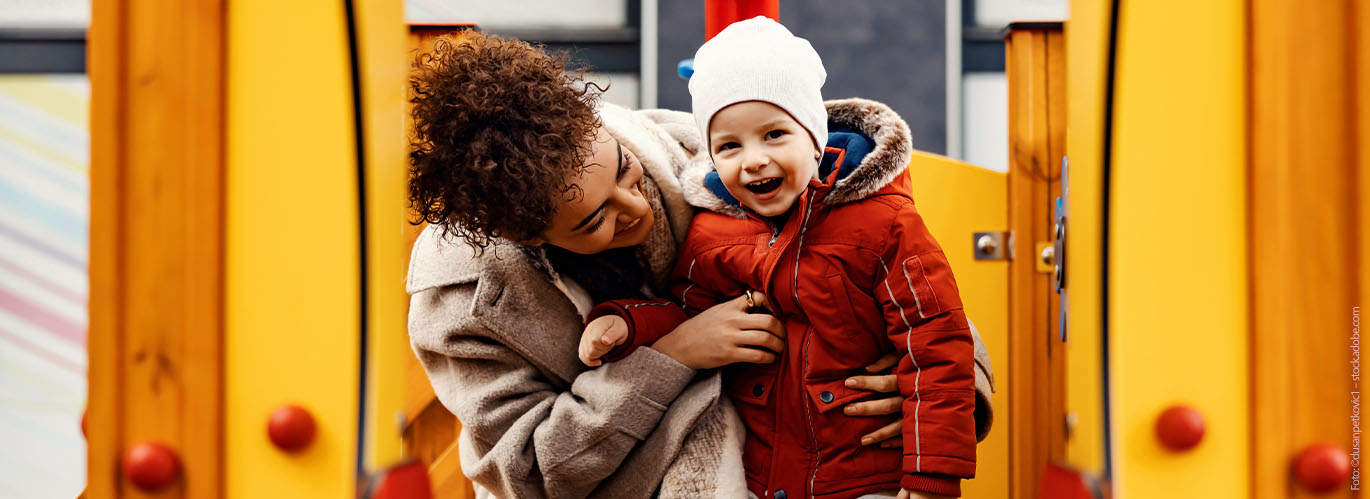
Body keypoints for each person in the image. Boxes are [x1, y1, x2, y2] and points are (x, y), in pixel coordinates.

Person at [404, 31, 951, 498]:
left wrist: (935, 395)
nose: (637, 208)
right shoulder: (461, 299)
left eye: (626, 172)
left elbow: (890, 268)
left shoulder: (699, 152)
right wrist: (675, 353)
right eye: (595, 220)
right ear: (522, 236)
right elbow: (526, 473)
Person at [577, 18, 988, 499]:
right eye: (729, 145)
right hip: (763, 477)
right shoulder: (713, 232)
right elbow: (691, 314)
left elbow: (936, 345)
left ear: (815, 138)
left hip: (866, 475)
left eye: (774, 135)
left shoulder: (883, 224)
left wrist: (931, 479)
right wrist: (629, 323)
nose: (751, 159)